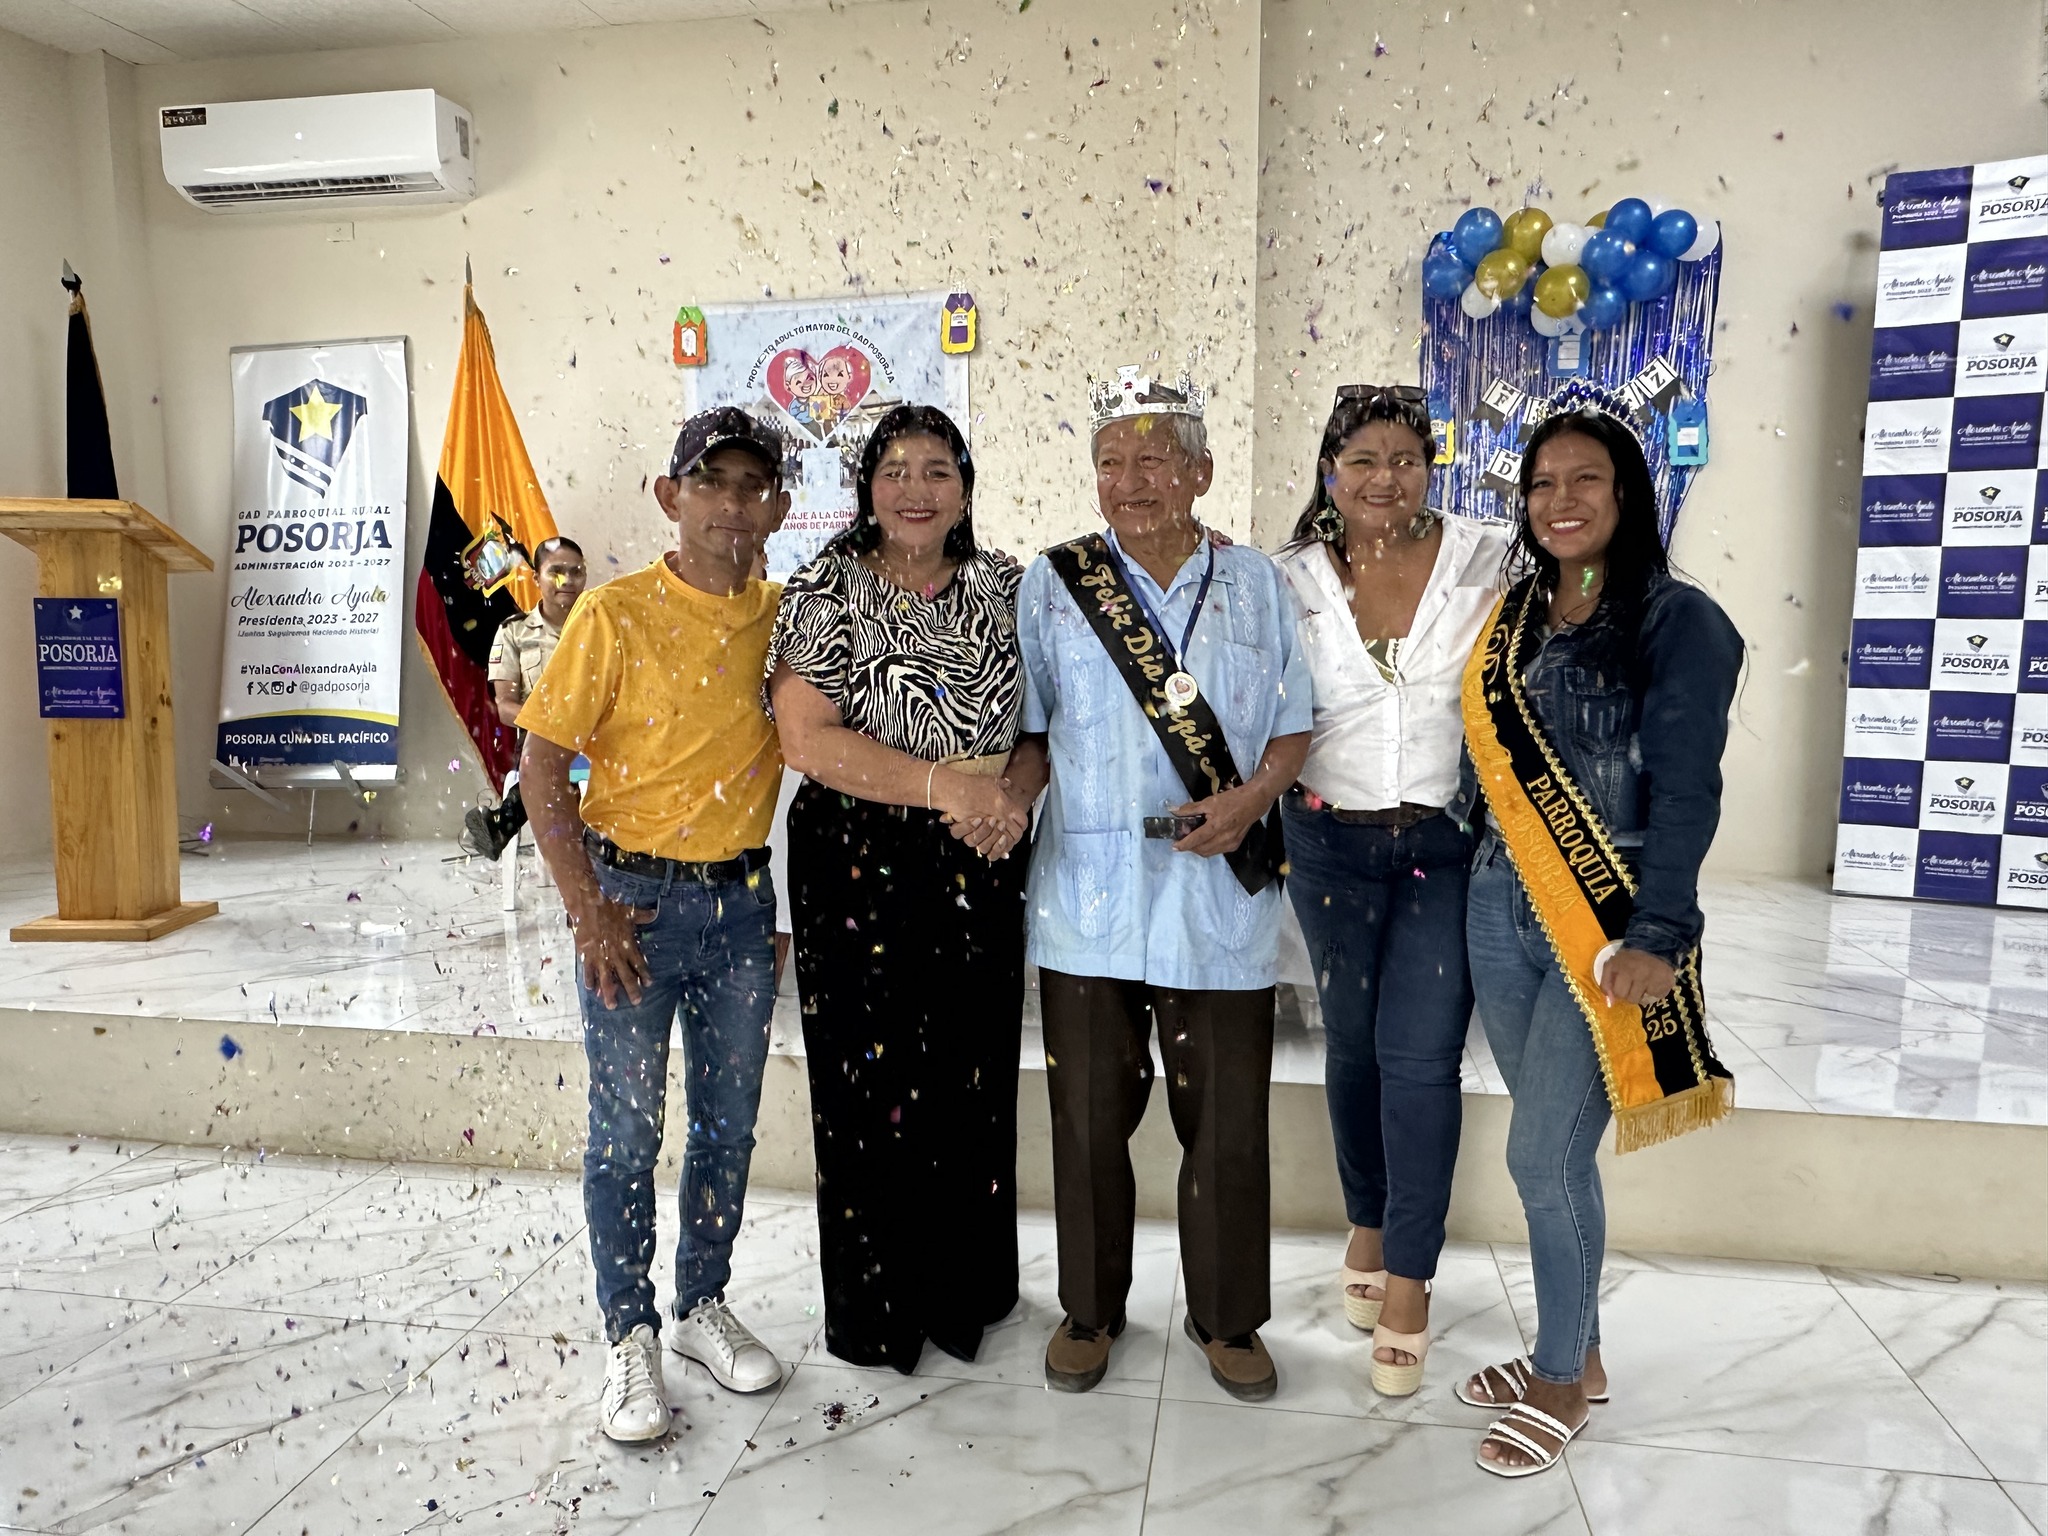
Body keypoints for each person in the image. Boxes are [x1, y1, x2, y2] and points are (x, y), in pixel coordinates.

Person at [1451, 401, 1742, 1477]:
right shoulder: (1518, 613)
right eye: (1540, 484)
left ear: (1626, 493)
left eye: (1583, 480)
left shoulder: (1678, 619)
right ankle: (1581, 1349)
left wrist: (1660, 931)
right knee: (1554, 1149)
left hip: (1605, 921)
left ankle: (1559, 1381)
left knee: (1541, 1155)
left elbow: (1688, 791)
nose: (1558, 501)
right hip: (1498, 903)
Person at [1016, 366, 1311, 1403]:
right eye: (1111, 461)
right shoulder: (1053, 583)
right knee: (1087, 1120)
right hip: (1086, 894)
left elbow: (1294, 723)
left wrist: (1252, 800)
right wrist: (996, 802)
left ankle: (1227, 1318)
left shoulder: (1255, 584)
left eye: (1152, 459)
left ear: (1201, 471)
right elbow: (1030, 732)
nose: (1130, 480)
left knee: (1225, 1122)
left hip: (1217, 891)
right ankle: (1090, 1310)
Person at [518, 406, 792, 1444]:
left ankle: (700, 1304)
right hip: (632, 907)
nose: (732, 505)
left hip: (742, 911)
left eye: (752, 485)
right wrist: (588, 912)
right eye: (710, 482)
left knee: (727, 1125)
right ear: (670, 496)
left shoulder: (785, 619)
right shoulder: (614, 614)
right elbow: (543, 766)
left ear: (777, 506)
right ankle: (628, 1333)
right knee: (627, 1132)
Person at [767, 403, 1036, 1372]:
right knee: (867, 1081)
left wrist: (1007, 799)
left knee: (971, 1074)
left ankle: (967, 1292)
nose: (914, 490)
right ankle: (879, 1308)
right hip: (856, 858)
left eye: (936, 470)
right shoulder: (826, 586)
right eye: (894, 470)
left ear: (964, 487)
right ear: (865, 488)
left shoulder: (1008, 586)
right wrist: (945, 788)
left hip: (980, 850)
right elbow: (805, 738)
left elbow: (1042, 726)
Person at [1275, 384, 1510, 1399]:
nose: (1384, 478)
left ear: (1431, 466)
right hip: (1326, 844)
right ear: (1330, 472)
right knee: (1353, 1046)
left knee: (1420, 1059)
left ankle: (1409, 1276)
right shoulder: (1287, 577)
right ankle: (1365, 1219)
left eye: (1405, 458)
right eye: (1362, 459)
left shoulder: (1486, 558)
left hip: (1443, 846)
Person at [463, 536, 587, 861]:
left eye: (576, 572)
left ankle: (503, 823)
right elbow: (505, 706)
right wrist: (551, 725)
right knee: (551, 754)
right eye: (556, 571)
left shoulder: (602, 627)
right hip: (540, 740)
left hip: (598, 740)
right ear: (536, 578)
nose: (567, 580)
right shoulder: (514, 632)